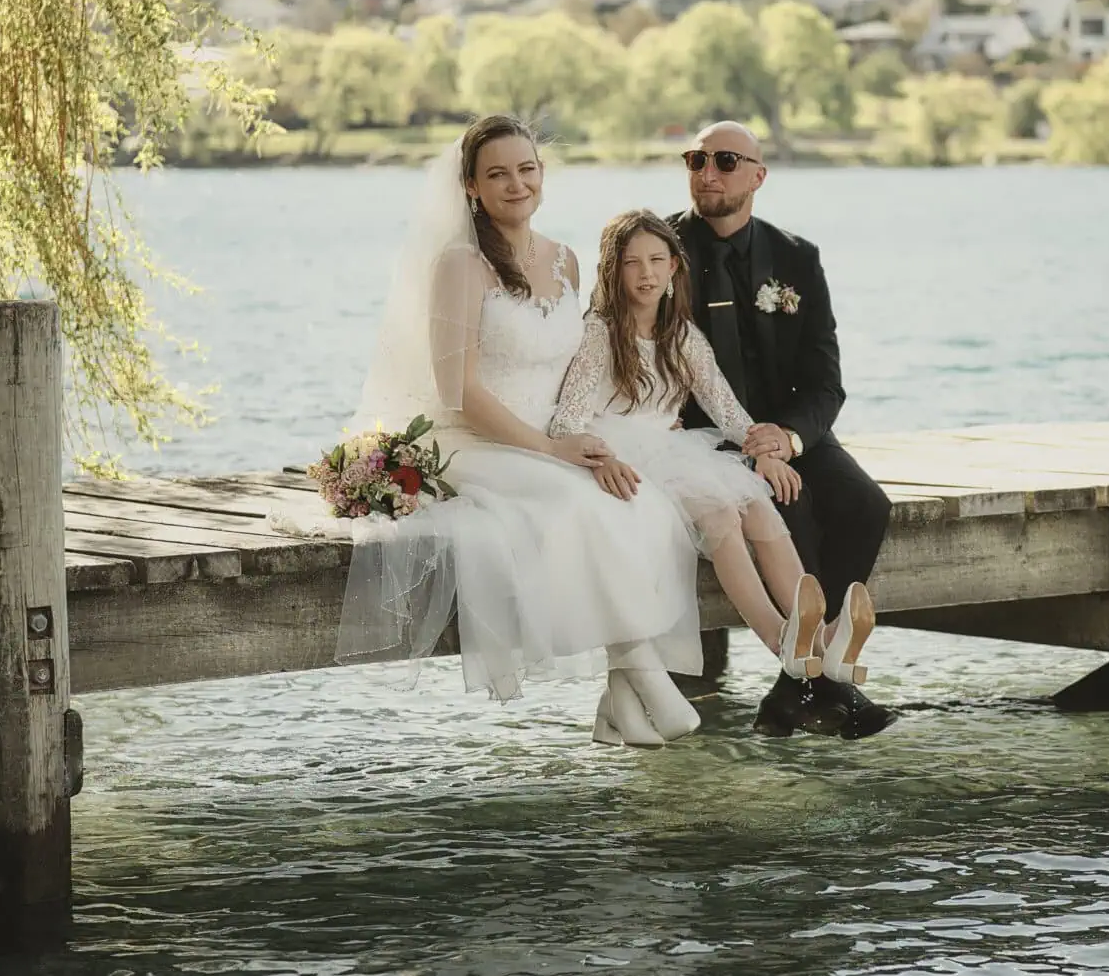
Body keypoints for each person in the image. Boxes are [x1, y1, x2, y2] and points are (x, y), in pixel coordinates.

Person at [336, 115, 705, 747]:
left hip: (555, 432)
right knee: (570, 500)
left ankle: (618, 701)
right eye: (498, 174)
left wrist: (598, 436)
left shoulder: (564, 259)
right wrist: (553, 451)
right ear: (472, 187)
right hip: (473, 441)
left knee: (638, 500)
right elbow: (461, 394)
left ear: (542, 175)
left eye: (527, 169)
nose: (516, 184)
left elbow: (586, 366)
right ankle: (642, 672)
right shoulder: (460, 265)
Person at [550, 211, 878, 693]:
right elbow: (566, 422)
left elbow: (727, 410)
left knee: (758, 506)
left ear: (674, 270)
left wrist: (765, 451)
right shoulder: (599, 332)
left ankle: (822, 633)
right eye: (632, 263)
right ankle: (779, 638)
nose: (646, 274)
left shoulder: (682, 335)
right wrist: (604, 460)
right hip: (623, 458)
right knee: (721, 512)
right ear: (613, 272)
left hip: (673, 449)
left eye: (657, 260)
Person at [670, 122, 898, 739]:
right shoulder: (660, 251)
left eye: (722, 160)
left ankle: (793, 692)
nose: (706, 172)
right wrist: (749, 442)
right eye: (695, 159)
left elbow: (826, 382)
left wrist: (790, 438)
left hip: (792, 435)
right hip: (704, 441)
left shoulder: (797, 258)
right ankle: (823, 689)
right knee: (790, 510)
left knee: (864, 505)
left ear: (758, 176)